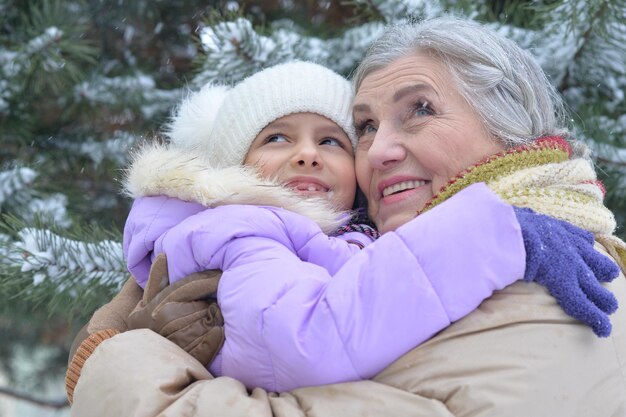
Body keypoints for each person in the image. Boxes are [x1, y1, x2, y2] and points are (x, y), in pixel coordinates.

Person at [68, 17, 626, 417]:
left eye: (420, 111)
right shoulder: (308, 242)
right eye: (364, 126)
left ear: (511, 129)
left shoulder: (555, 265)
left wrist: (116, 355)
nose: (378, 151)